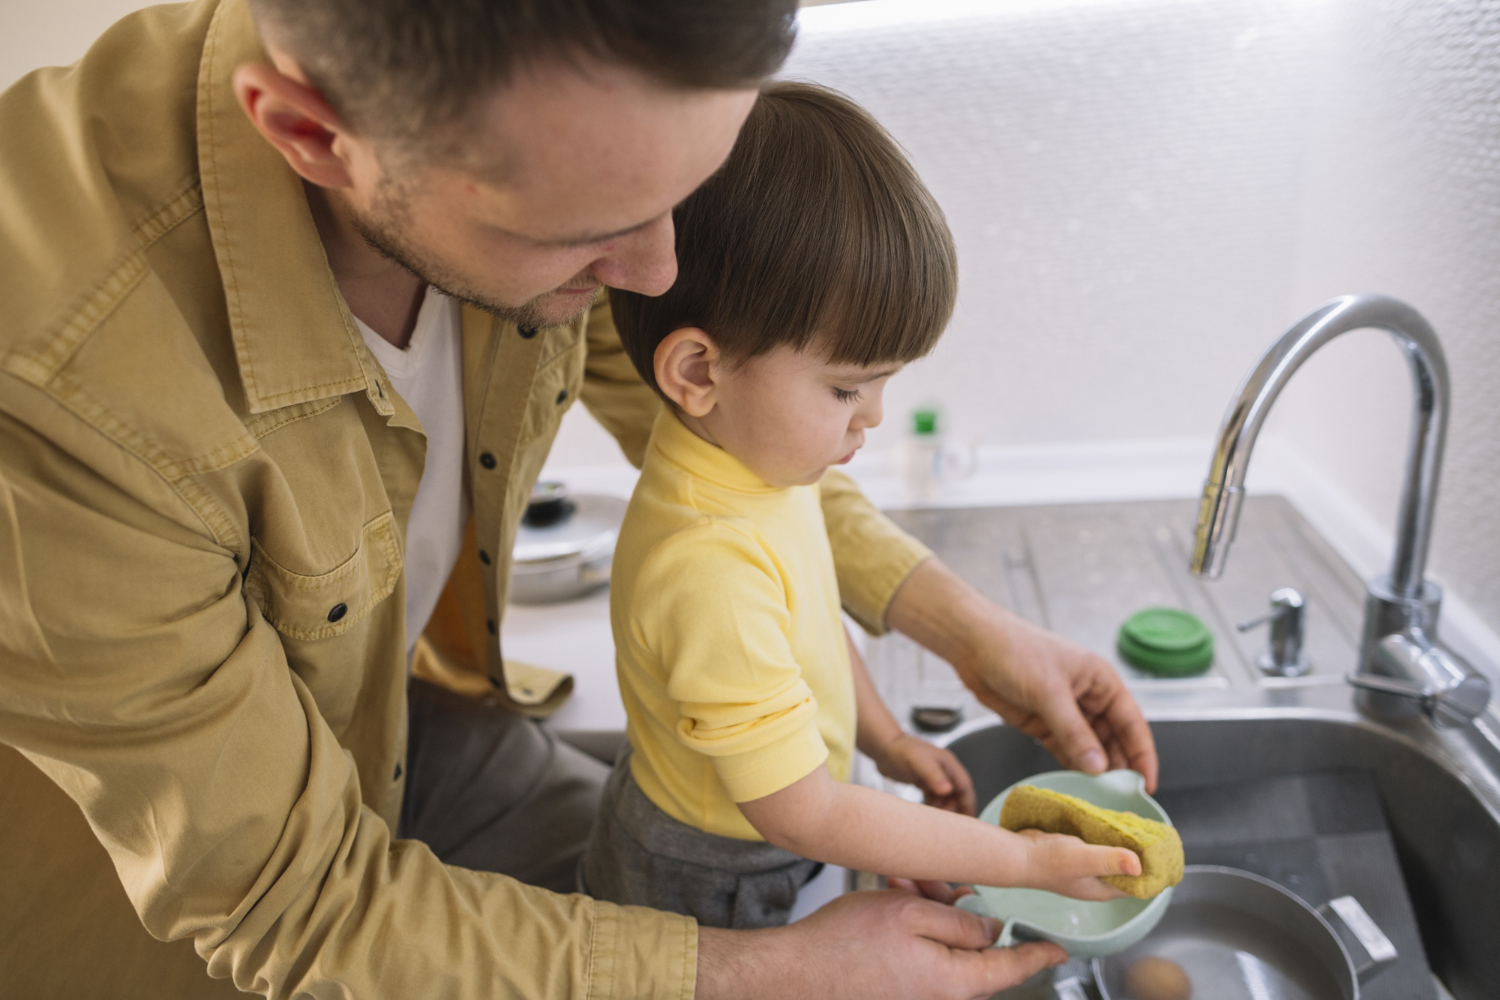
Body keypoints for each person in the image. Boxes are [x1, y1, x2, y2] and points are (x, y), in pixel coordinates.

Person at [0, 1, 1158, 998]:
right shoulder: (59, 390)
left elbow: (724, 438)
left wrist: (960, 624)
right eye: (591, 231)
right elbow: (293, 905)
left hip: (415, 733)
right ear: (313, 136)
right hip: (180, 922)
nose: (655, 277)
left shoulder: (540, 162)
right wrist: (774, 972)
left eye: (683, 191)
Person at [582, 83, 1142, 929]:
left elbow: (810, 631)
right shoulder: (706, 567)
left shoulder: (754, 467)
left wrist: (882, 740)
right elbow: (804, 813)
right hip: (711, 879)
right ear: (699, 372)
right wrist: (1024, 862)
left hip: (776, 814)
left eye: (883, 384)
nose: (873, 415)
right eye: (847, 386)